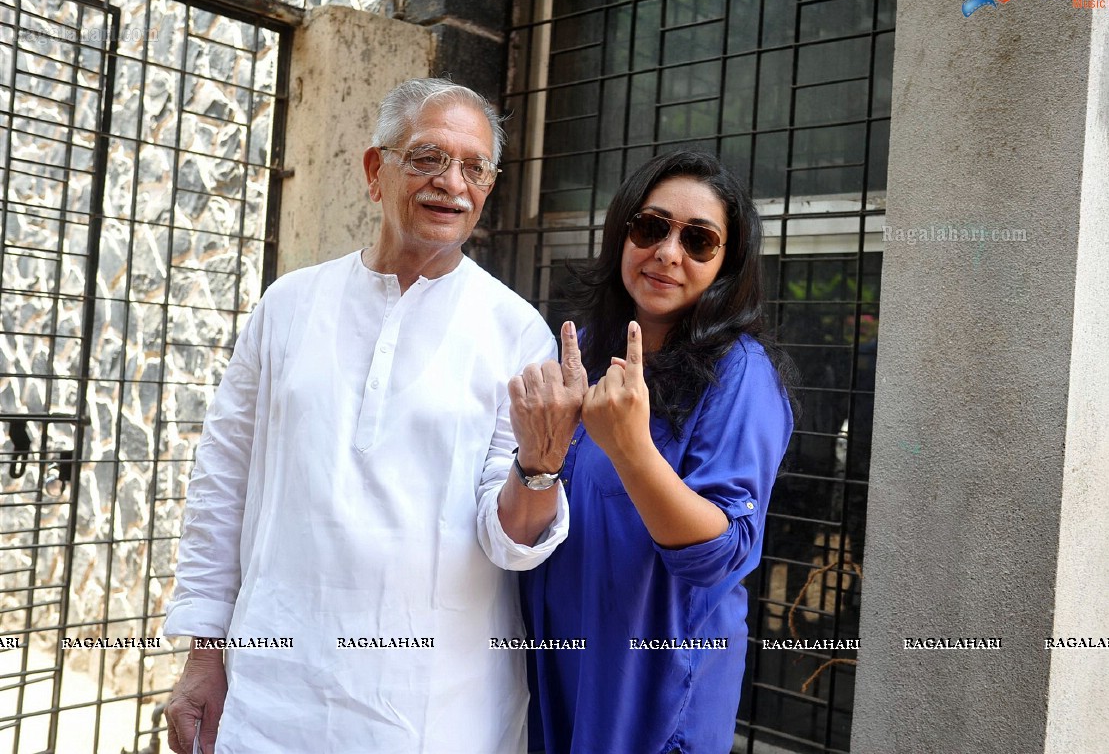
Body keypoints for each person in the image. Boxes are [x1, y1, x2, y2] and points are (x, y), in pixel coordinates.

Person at [162, 77, 586, 753]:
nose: (451, 182)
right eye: (426, 157)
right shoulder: (288, 305)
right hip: (274, 685)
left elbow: (508, 541)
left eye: (474, 166)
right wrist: (203, 653)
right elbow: (223, 483)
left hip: (434, 706)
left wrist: (539, 467)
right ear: (373, 169)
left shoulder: (515, 332)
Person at [520, 151, 795, 754]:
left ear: (726, 264)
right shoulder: (587, 352)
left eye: (699, 240)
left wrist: (634, 451)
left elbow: (722, 553)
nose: (669, 252)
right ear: (623, 234)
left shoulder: (739, 373)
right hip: (563, 661)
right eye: (651, 227)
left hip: (653, 685)